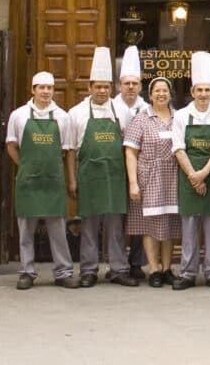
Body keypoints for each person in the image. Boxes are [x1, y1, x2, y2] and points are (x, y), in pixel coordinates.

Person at [65, 48, 137, 288]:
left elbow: (130, 147)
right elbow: (72, 151)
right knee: (89, 226)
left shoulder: (122, 112)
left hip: (116, 178)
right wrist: (73, 180)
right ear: (89, 88)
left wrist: (131, 180)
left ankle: (118, 269)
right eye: (98, 87)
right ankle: (88, 270)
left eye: (107, 87)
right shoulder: (76, 114)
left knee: (116, 227)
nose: (103, 91)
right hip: (89, 177)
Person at [6, 71, 76, 290]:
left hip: (53, 182)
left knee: (58, 232)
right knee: (26, 231)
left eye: (49, 88)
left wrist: (65, 177)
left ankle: (63, 272)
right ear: (33, 90)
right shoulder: (18, 115)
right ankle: (27, 271)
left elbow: (67, 151)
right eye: (41, 87)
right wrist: (25, 166)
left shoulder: (63, 117)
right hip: (28, 182)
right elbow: (11, 146)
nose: (46, 91)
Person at [172, 51, 210, 290]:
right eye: (199, 90)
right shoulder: (182, 116)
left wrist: (203, 174)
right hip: (187, 176)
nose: (204, 94)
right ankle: (187, 272)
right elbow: (178, 149)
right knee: (190, 225)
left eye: (208, 90)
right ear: (192, 92)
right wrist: (193, 176)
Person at [123, 76, 181, 287]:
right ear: (150, 94)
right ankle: (154, 269)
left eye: (165, 90)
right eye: (157, 91)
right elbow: (130, 151)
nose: (161, 94)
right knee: (150, 226)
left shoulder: (178, 117)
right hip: (148, 176)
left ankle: (167, 268)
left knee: (170, 224)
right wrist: (133, 182)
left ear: (170, 93)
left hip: (173, 176)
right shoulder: (141, 118)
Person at [114, 46, 149, 279]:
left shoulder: (148, 109)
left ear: (140, 86)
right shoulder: (109, 107)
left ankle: (137, 262)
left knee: (140, 218)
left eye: (134, 83)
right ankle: (118, 265)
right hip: (114, 170)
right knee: (116, 220)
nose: (130, 87)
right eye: (126, 83)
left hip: (142, 170)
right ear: (119, 85)